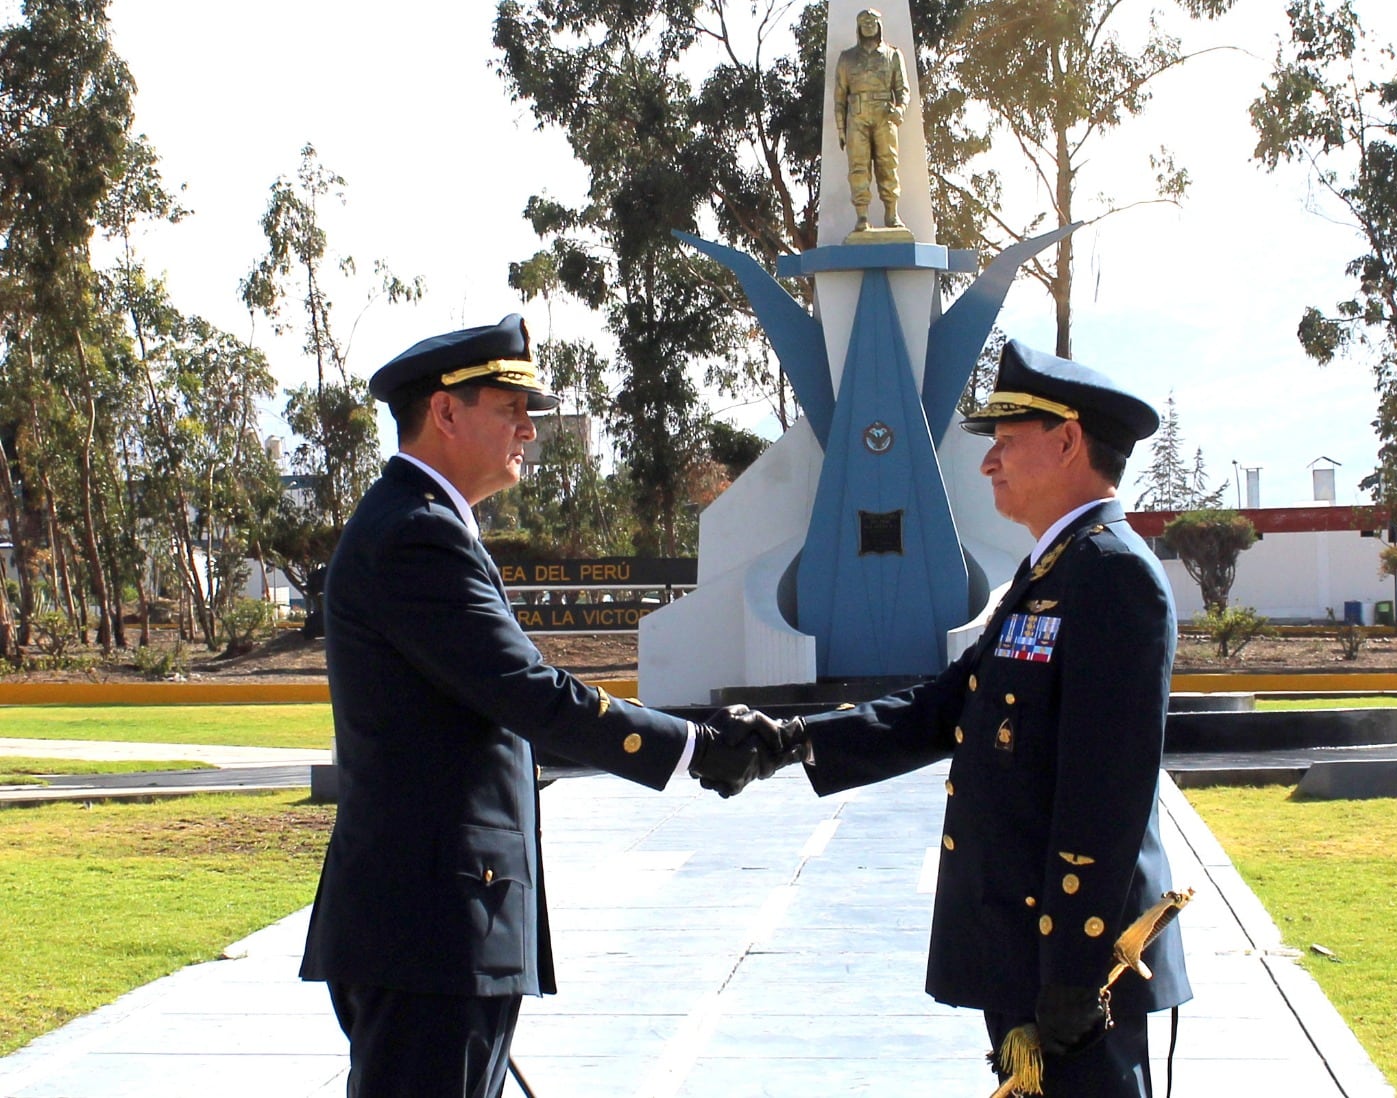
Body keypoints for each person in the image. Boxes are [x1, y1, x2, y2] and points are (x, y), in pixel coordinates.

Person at [299, 313, 792, 1098]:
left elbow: (495, 713)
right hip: (431, 928)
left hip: (432, 924)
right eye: (512, 409)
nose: (530, 429)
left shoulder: (419, 525)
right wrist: (696, 746)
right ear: (447, 412)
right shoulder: (415, 536)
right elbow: (528, 692)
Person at [774, 340, 1193, 1096]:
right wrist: (791, 741)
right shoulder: (1050, 572)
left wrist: (1075, 968)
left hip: (1076, 967)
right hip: (1028, 949)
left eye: (1005, 442)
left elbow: (1108, 796)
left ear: (1067, 441)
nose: (987, 462)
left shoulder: (1113, 576)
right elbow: (948, 706)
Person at [835, 7, 909, 233]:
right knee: (858, 167)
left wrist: (900, 109)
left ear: (879, 26)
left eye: (872, 22)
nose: (868, 26)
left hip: (884, 115)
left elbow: (902, 89)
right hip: (856, 117)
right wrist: (840, 128)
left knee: (888, 164)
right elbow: (839, 96)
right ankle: (862, 216)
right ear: (859, 27)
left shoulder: (893, 55)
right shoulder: (847, 58)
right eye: (864, 23)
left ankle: (891, 213)